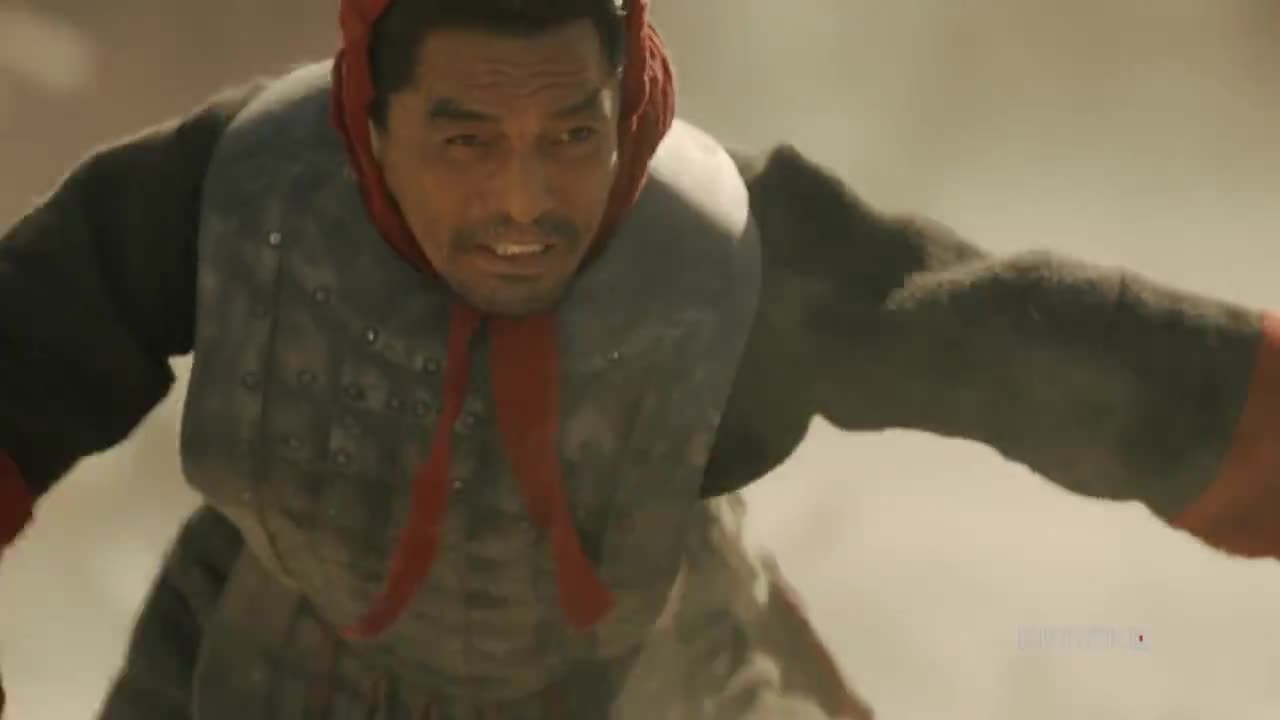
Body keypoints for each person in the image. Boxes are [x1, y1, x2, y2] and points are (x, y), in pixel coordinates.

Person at [1, 0, 1277, 717]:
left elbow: (997, 336)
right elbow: (28, 343)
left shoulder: (712, 244)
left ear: (631, 101)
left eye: (571, 134)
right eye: (465, 141)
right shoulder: (246, 190)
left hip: (644, 677)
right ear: (368, 122)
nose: (522, 202)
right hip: (264, 665)